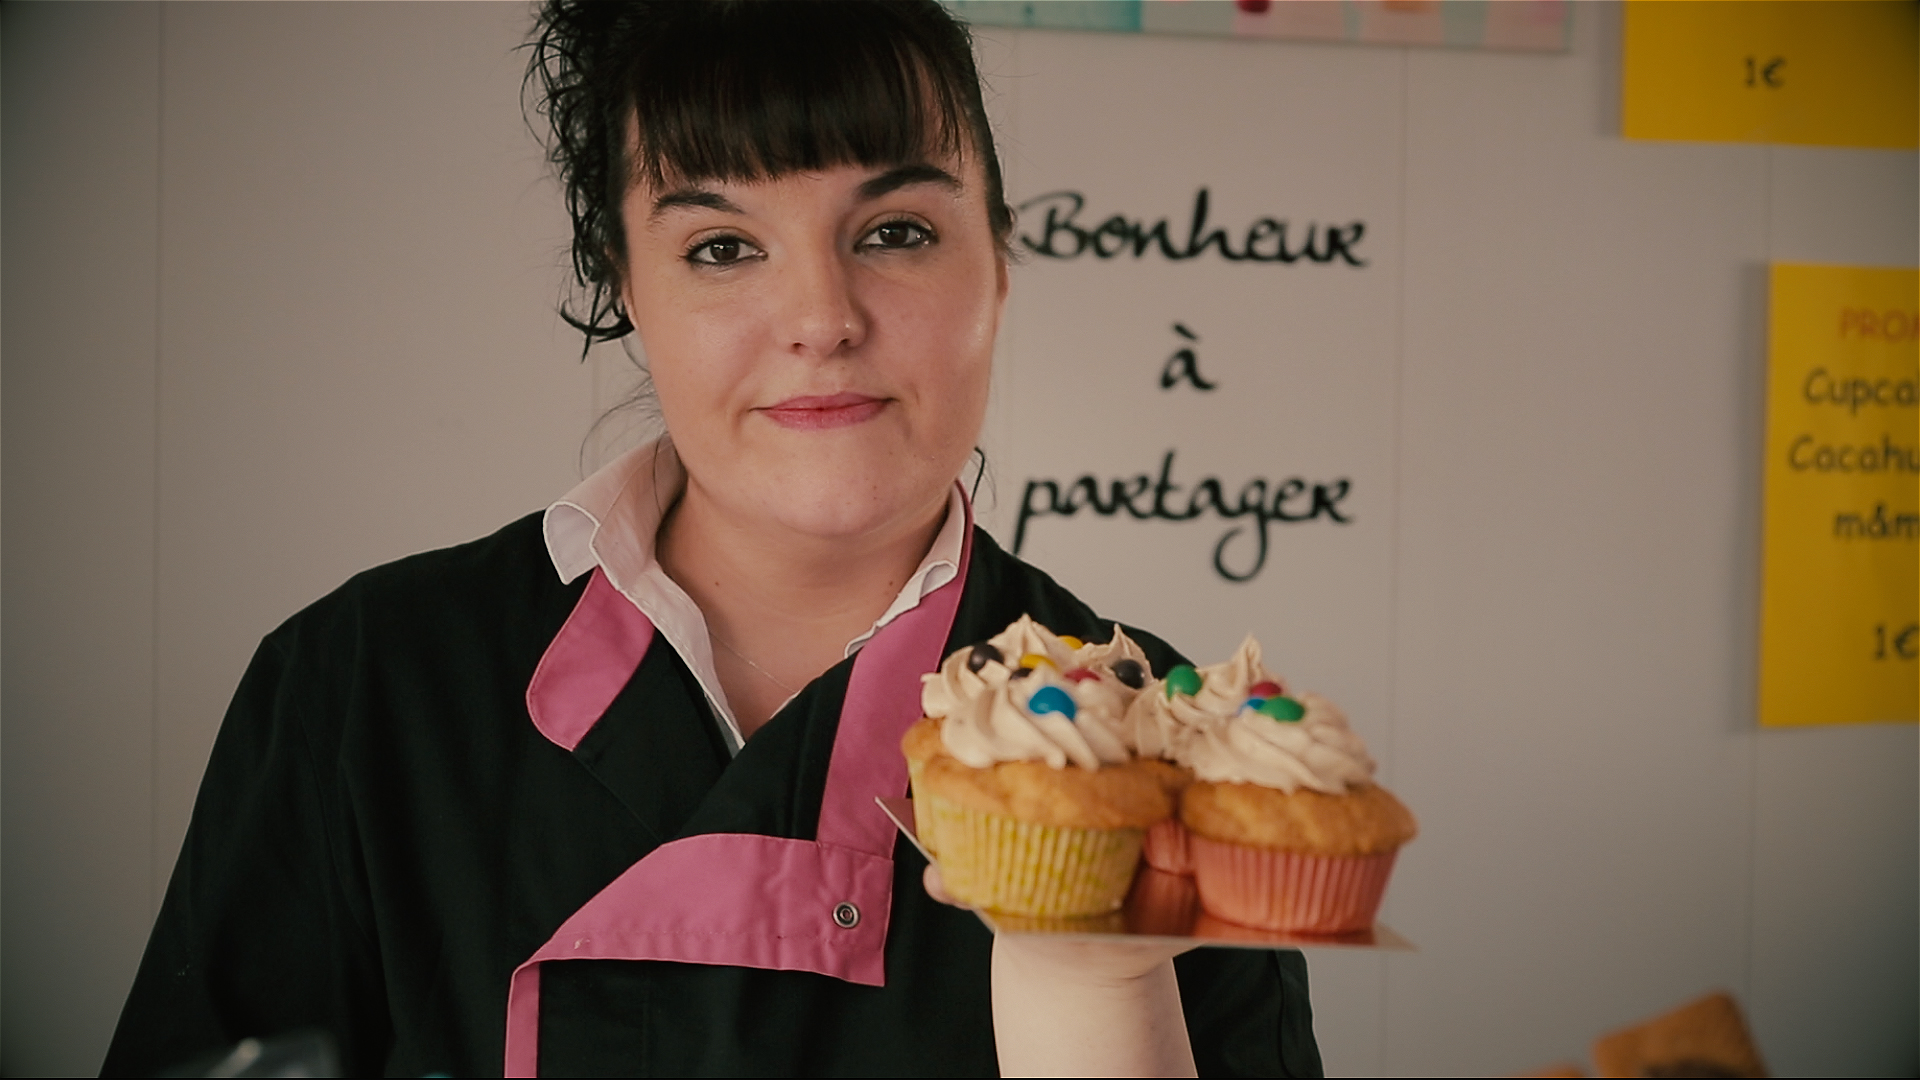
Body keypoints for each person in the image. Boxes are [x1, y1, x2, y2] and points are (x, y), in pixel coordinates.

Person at [102, 2, 1322, 1075]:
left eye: (895, 231)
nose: (821, 319)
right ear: (626, 288)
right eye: (722, 247)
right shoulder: (363, 684)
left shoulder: (1166, 746)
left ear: (998, 260)